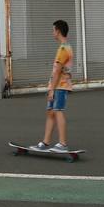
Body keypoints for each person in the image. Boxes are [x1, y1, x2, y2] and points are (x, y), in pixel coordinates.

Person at [31, 19, 73, 152]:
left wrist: (52, 90)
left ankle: (62, 144)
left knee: (58, 111)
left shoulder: (63, 49)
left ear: (58, 31)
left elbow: (58, 71)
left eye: (53, 30)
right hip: (55, 85)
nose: (52, 33)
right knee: (50, 113)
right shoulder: (64, 47)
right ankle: (46, 142)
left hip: (60, 86)